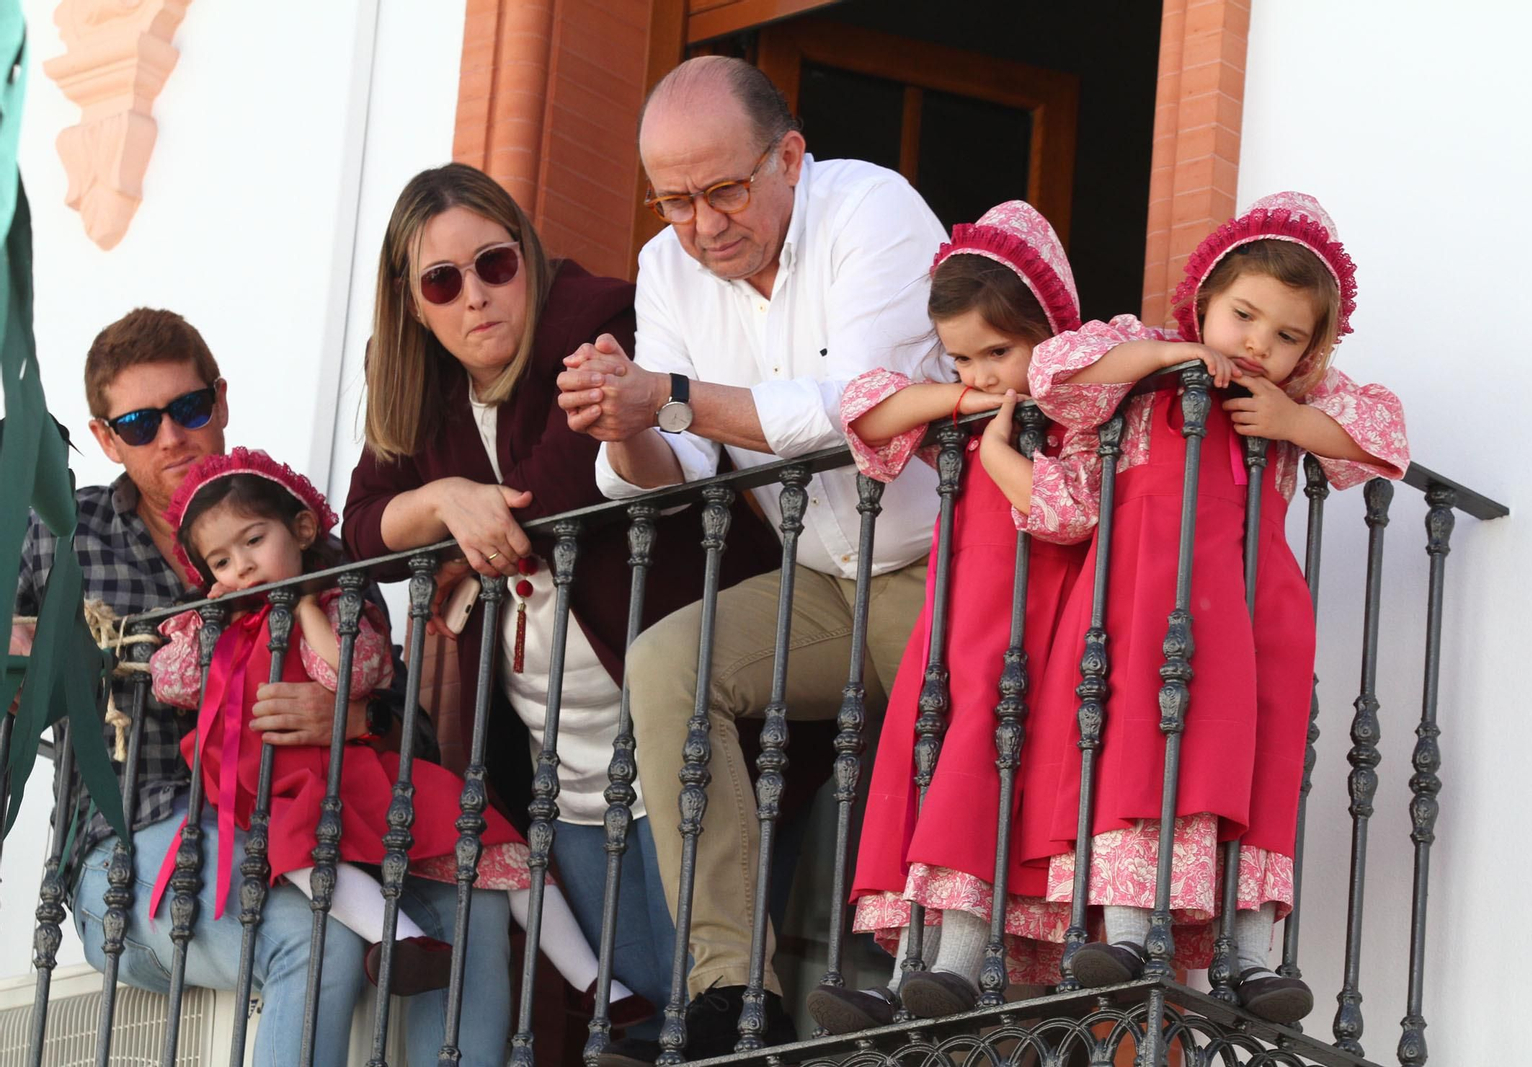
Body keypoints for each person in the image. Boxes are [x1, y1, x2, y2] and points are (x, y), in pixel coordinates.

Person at [555, 56, 948, 1062]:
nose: (701, 224)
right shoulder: (667, 265)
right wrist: (622, 423)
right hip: (822, 579)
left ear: (789, 156)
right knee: (666, 665)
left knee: (961, 754)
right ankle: (731, 993)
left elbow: (854, 411)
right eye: (675, 200)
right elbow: (675, 466)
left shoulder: (874, 210)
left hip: (948, 569)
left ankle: (960, 986)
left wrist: (667, 395)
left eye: (723, 189)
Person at [341, 163, 774, 1050]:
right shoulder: (422, 388)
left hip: (680, 731)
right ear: (414, 303)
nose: (475, 296)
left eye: (494, 264)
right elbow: (360, 529)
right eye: (442, 281)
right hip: (562, 768)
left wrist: (461, 528)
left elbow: (560, 488)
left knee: (718, 1007)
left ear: (527, 256)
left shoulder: (598, 319)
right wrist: (445, 499)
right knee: (640, 1006)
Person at [1021, 192, 1409, 1023]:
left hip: (1249, 609)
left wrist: (1294, 419)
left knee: (1251, 766)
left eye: (1287, 335)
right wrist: (1175, 357)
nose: (1258, 343)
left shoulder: (1290, 404)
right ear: (1203, 299)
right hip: (1137, 596)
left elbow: (1386, 435)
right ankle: (1128, 931)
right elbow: (1053, 371)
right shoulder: (1147, 360)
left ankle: (1247, 957)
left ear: (1310, 350)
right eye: (1243, 316)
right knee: (1132, 746)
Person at [12, 308, 427, 1066]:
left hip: (309, 827)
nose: (172, 436)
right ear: (105, 439)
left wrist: (353, 714)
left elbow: (411, 722)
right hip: (132, 841)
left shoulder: (308, 544)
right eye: (140, 423)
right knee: (318, 938)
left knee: (468, 913)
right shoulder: (61, 536)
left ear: (222, 400)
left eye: (189, 407)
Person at [806, 201, 1093, 1033]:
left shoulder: (1077, 422)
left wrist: (1001, 448)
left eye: (999, 352)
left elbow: (1071, 514)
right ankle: (909, 977)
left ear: (1051, 332)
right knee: (931, 785)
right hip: (953, 640)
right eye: (962, 356)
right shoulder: (965, 416)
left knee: (982, 780)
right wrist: (959, 399)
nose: (983, 375)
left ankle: (956, 967)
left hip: (1027, 637)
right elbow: (864, 410)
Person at [147, 447, 542, 1000]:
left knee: (484, 838)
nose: (242, 568)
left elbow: (350, 674)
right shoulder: (224, 631)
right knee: (291, 849)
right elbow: (170, 682)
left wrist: (305, 607)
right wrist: (212, 621)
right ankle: (401, 941)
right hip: (274, 790)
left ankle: (597, 982)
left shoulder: (339, 604)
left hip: (350, 773)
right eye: (221, 562)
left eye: (253, 540)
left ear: (303, 529)